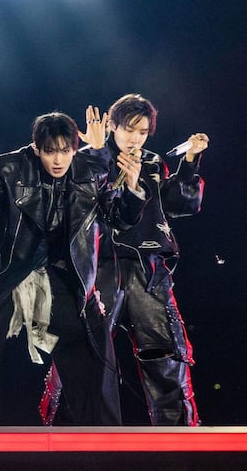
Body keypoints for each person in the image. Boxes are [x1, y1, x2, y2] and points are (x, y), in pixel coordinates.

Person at [0, 110, 146, 426]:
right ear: (36, 148)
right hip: (10, 275)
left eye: (64, 151)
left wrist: (133, 189)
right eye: (49, 151)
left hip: (63, 277)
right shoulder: (11, 167)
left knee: (92, 350)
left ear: (74, 149)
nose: (57, 160)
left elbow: (118, 219)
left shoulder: (90, 170)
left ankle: (99, 438)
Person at [94, 93, 207, 425]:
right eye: (129, 129)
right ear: (113, 126)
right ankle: (67, 438)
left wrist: (190, 161)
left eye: (142, 132)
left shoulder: (154, 162)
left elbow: (179, 204)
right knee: (86, 351)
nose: (135, 138)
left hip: (147, 267)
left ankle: (177, 437)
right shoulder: (93, 160)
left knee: (165, 355)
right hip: (101, 265)